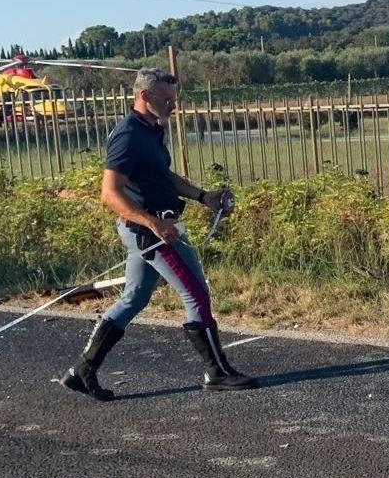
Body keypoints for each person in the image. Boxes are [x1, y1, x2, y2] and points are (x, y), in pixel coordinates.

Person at [60, 68, 257, 402]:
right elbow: (109, 194)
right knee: (195, 293)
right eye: (166, 100)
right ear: (144, 96)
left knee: (134, 298)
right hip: (151, 232)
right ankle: (217, 372)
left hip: (156, 227)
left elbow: (162, 175)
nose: (172, 106)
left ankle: (82, 370)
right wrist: (152, 222)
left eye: (174, 100)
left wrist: (202, 196)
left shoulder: (151, 129)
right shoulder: (128, 135)